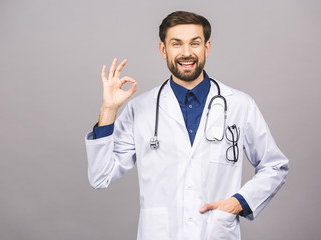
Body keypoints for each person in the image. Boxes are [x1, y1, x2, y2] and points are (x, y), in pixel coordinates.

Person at [85, 11, 289, 240]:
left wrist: (238, 203)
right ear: (163, 50)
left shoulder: (240, 105)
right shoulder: (140, 109)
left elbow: (275, 166)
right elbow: (100, 176)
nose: (186, 52)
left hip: (215, 232)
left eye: (195, 43)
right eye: (176, 44)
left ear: (207, 48)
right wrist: (109, 110)